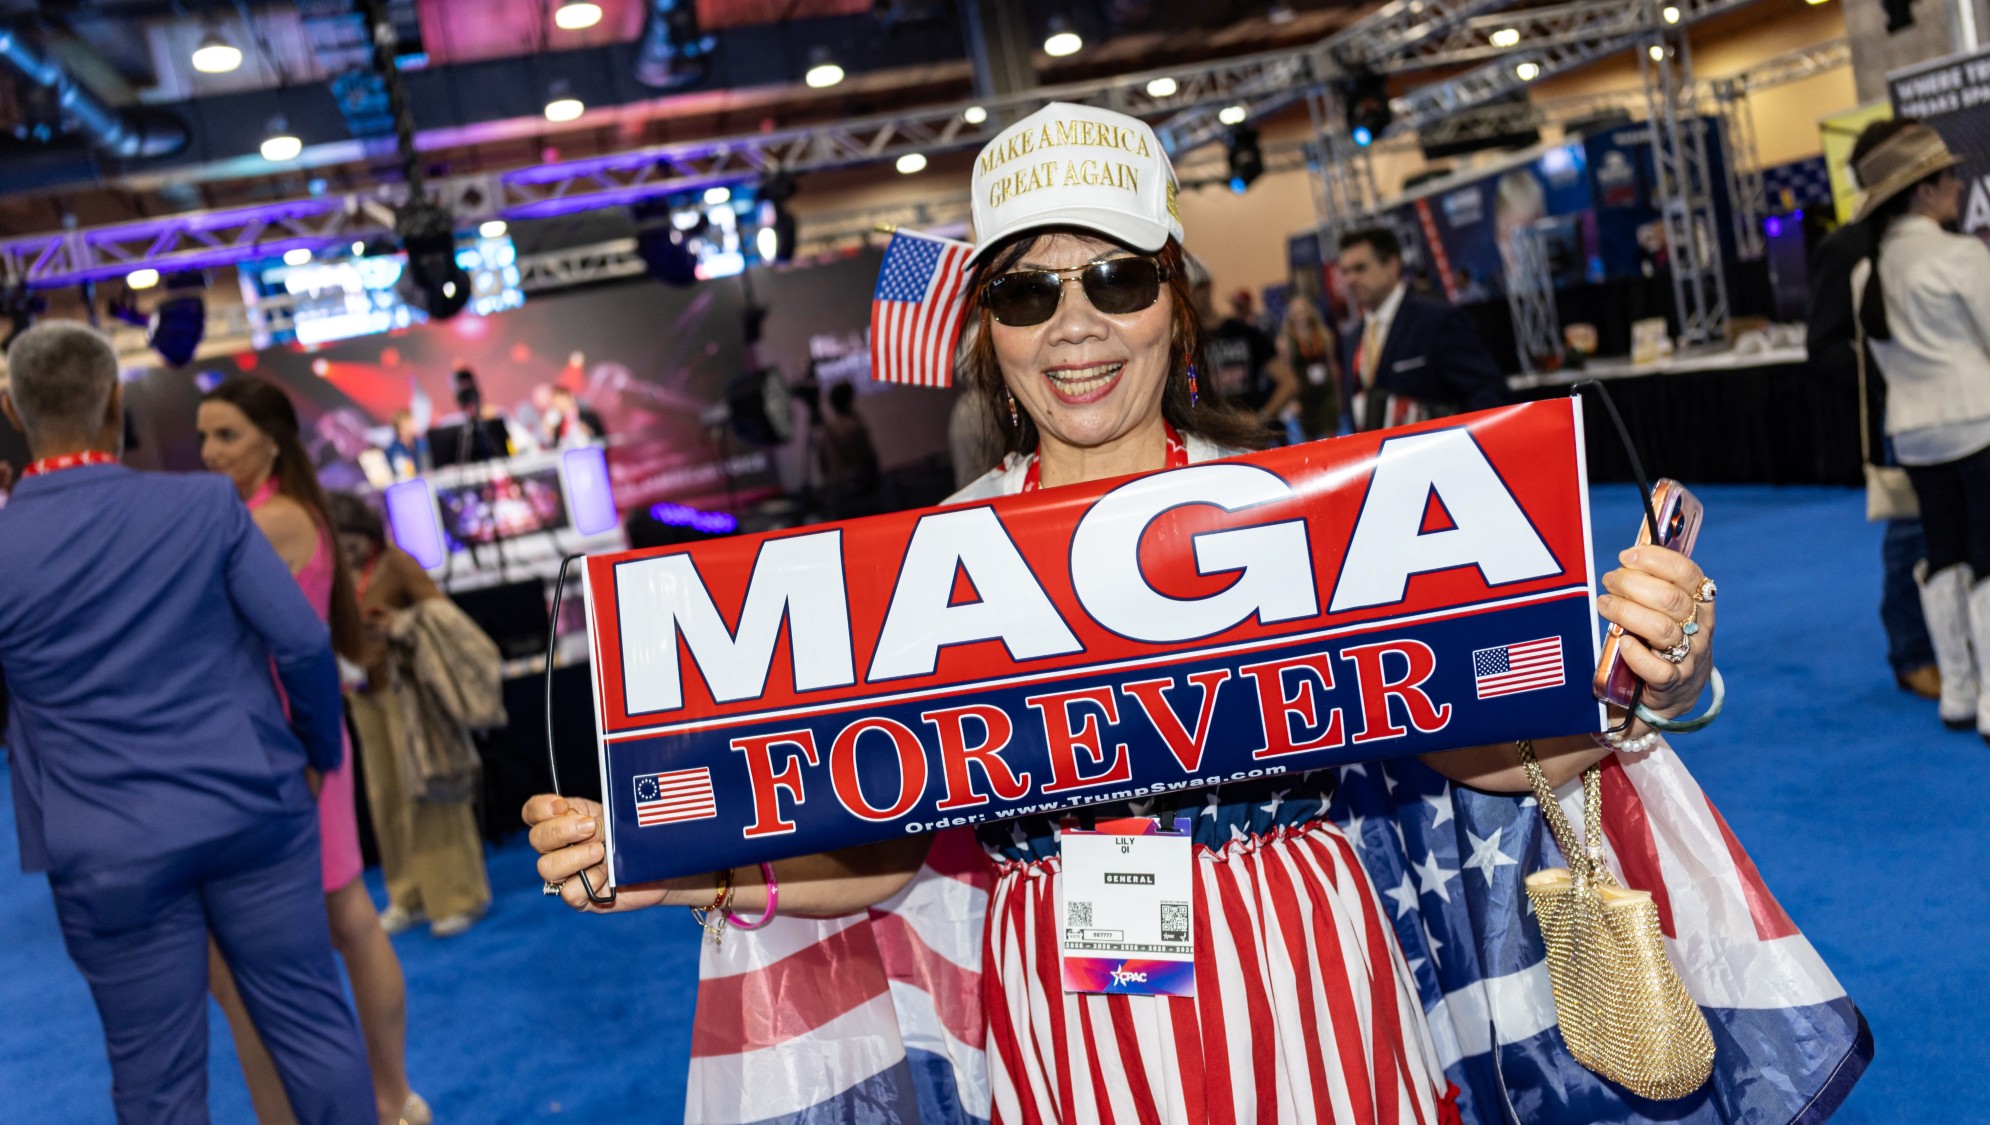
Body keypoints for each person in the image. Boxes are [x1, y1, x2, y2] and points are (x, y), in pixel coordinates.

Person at [525, 102, 1719, 1124]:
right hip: (1068, 986)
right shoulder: (931, 557)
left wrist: (1634, 680)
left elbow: (1472, 742)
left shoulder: (1304, 512)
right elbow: (882, 836)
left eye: (1115, 276)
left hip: (1305, 952)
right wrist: (683, 862)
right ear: (985, 332)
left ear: (1173, 301)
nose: (1075, 323)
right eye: (1026, 291)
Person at [0, 323, 375, 1124]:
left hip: (106, 848)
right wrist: (315, 750)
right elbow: (304, 640)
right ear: (116, 402)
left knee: (154, 1081)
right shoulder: (203, 504)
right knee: (313, 1027)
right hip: (253, 808)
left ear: (11, 407)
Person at [197, 377, 430, 1125]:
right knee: (345, 918)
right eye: (204, 435)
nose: (210, 451)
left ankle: (392, 1094)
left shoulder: (274, 520)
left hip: (295, 739)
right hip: (293, 735)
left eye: (226, 434)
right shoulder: (283, 514)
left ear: (272, 438)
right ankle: (391, 1095)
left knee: (347, 919)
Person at [1852, 123, 1990, 743]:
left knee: (1943, 554)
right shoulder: (1960, 253)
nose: (1957, 185)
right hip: (1979, 422)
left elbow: (1883, 367)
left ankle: (1962, 693)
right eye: (1946, 177)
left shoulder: (1868, 271)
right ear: (1921, 191)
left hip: (1915, 432)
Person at [1806, 117, 1938, 700]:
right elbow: (1825, 345)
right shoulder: (1848, 247)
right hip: (1900, 416)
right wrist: (1884, 378)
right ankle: (1911, 653)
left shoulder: (1934, 231)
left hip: (1957, 409)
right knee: (1911, 534)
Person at [329, 492, 492, 939]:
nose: (347, 554)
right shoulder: (334, 575)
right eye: (338, 546)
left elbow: (442, 615)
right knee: (386, 800)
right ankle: (408, 896)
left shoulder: (398, 563)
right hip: (362, 696)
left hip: (410, 696)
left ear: (368, 534)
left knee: (430, 793)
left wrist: (398, 625)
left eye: (352, 544)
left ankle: (459, 897)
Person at [1337, 227, 1509, 432]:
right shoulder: (1351, 339)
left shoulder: (1436, 320)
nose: (1350, 280)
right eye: (1345, 272)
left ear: (1392, 265)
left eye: (1360, 268)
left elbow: (1487, 392)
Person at [1193, 262, 1296, 433]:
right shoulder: (1185, 344)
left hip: (1249, 439)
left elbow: (1289, 382)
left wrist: (1260, 418)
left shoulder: (1246, 333)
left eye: (1194, 287)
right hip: (1211, 441)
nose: (1190, 294)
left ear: (1207, 287)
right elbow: (1189, 398)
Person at [1278, 292, 1339, 441]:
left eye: (1303, 310)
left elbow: (1332, 364)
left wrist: (1338, 392)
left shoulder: (1324, 335)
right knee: (1309, 438)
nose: (1301, 315)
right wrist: (1292, 400)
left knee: (1330, 434)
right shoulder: (1285, 341)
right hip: (1303, 394)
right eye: (1296, 312)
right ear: (1290, 315)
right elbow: (1287, 372)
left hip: (1325, 391)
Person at [817, 380, 882, 518]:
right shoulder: (854, 427)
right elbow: (868, 457)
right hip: (860, 489)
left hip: (838, 490)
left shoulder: (827, 429)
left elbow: (823, 463)